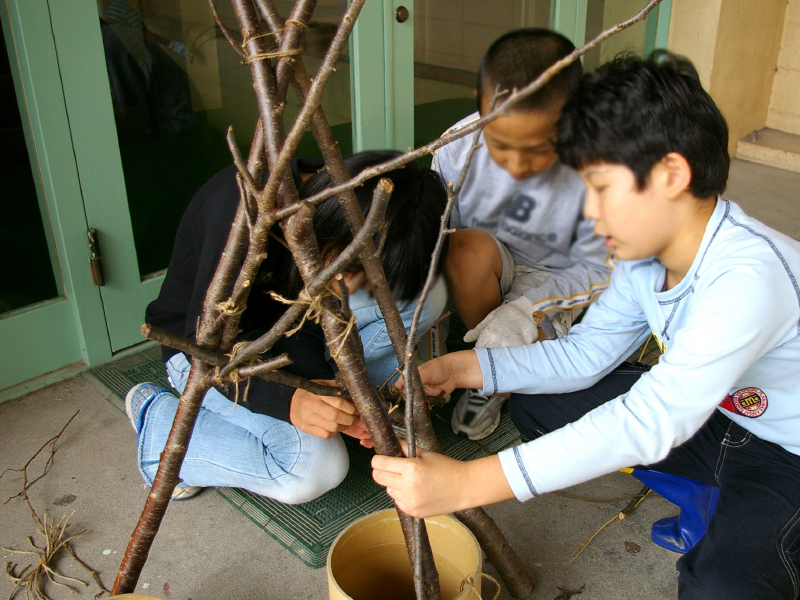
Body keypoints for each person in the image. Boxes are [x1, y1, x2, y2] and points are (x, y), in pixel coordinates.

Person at [373, 52, 800, 600]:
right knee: (535, 403)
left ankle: (745, 518)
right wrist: (468, 367)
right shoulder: (647, 258)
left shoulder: (749, 276)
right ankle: (712, 496)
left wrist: (468, 483)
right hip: (724, 417)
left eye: (599, 189)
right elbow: (584, 356)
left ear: (671, 174)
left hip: (788, 455)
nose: (589, 215)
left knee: (721, 585)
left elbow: (651, 419)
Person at [126, 151, 449, 503]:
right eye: (353, 270)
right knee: (313, 468)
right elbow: (207, 347)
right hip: (207, 355)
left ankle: (353, 398)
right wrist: (290, 400)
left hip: (286, 336)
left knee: (427, 297)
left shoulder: (343, 202)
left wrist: (324, 387)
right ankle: (156, 422)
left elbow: (306, 316)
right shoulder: (239, 213)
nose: (348, 285)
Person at [434, 29, 613, 440]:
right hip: (490, 263)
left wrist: (526, 311)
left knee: (524, 335)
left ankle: (494, 372)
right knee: (465, 250)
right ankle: (490, 356)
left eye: (538, 149)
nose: (516, 166)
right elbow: (440, 232)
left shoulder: (600, 167)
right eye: (499, 144)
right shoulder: (457, 148)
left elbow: (600, 266)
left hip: (556, 280)